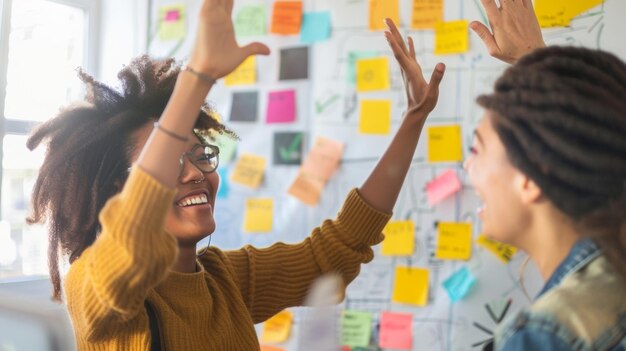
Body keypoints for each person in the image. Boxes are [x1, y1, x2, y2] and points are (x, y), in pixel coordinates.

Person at [26, 0, 444, 349]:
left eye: (200, 155)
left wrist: (413, 120)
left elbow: (336, 252)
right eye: (172, 158)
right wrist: (200, 77)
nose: (194, 173)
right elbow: (130, 233)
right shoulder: (93, 285)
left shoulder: (225, 280)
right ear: (117, 190)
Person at [467, 0, 626, 350]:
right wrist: (534, 65)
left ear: (531, 176)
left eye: (476, 150)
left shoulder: (543, 335)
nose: (468, 168)